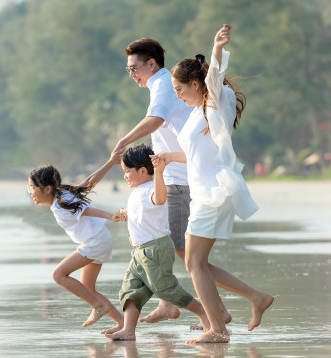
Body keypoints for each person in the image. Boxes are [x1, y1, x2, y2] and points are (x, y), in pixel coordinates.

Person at [152, 24, 273, 343]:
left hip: (214, 192)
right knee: (197, 262)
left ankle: (217, 329)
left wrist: (217, 48)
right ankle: (255, 298)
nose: (177, 95)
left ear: (196, 83)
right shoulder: (196, 113)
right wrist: (167, 157)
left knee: (193, 262)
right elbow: (196, 155)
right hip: (205, 191)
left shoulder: (214, 103)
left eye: (180, 89)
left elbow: (215, 76)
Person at [111, 37, 223, 325]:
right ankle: (167, 303)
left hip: (181, 177)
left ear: (151, 63)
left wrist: (124, 140)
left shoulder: (162, 84)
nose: (132, 74)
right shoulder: (161, 84)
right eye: (128, 70)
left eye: (134, 68)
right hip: (175, 174)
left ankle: (220, 310)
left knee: (188, 255)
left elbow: (156, 118)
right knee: (174, 243)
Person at [105, 144, 210, 341]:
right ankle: (128, 330)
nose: (125, 176)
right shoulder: (136, 192)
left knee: (165, 288)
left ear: (143, 171)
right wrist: (126, 214)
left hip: (156, 250)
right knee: (130, 290)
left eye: (127, 171)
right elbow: (142, 214)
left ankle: (204, 312)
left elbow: (160, 199)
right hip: (139, 252)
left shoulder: (150, 189)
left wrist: (160, 172)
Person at [27, 156, 124, 331]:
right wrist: (110, 162)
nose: (30, 191)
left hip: (95, 242)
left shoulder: (59, 205)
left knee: (58, 275)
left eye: (33, 187)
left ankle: (98, 306)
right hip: (99, 239)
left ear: (47, 188)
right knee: (88, 287)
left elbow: (86, 210)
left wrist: (111, 216)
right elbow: (89, 183)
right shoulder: (63, 195)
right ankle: (121, 323)